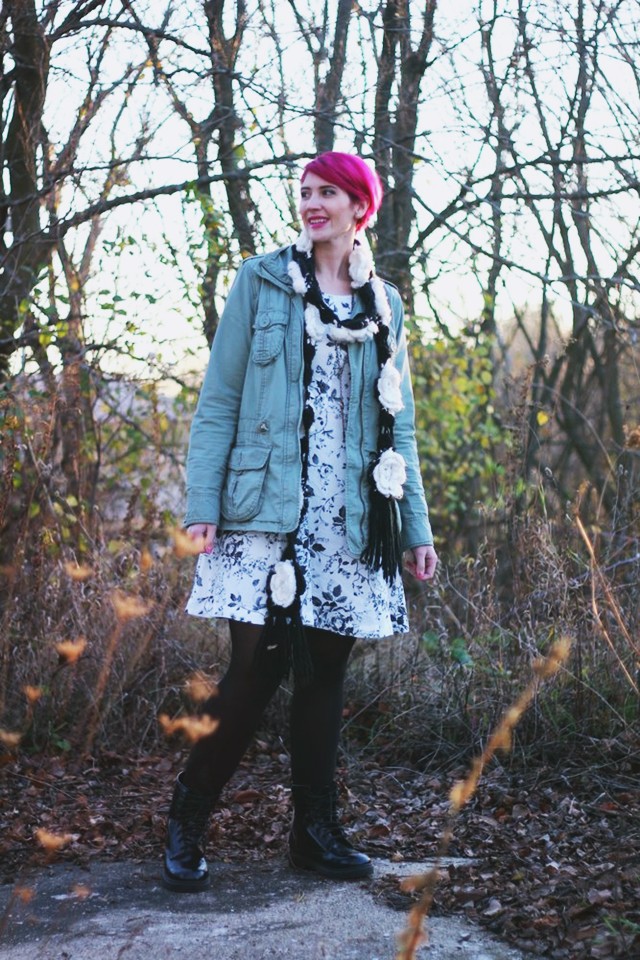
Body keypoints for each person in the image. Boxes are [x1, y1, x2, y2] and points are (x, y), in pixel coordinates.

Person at [162, 152, 438, 892]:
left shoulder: (384, 303)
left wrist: (415, 527)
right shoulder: (261, 281)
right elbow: (219, 400)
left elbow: (400, 428)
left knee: (324, 676)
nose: (313, 203)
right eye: (306, 192)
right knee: (255, 671)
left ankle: (314, 833)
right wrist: (203, 505)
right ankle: (187, 818)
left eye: (329, 193)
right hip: (265, 512)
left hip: (349, 520)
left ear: (360, 208)